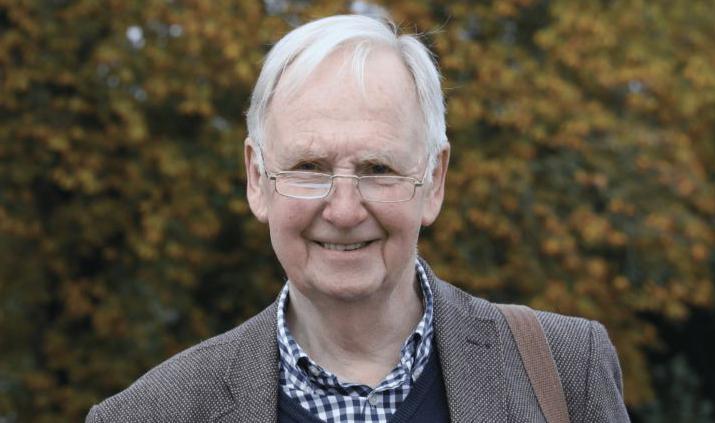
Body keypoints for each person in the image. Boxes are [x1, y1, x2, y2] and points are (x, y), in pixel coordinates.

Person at [86, 14, 629, 422]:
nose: (344, 210)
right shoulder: (151, 413)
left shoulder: (563, 371)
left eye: (377, 167)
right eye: (307, 166)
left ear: (434, 180)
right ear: (257, 178)